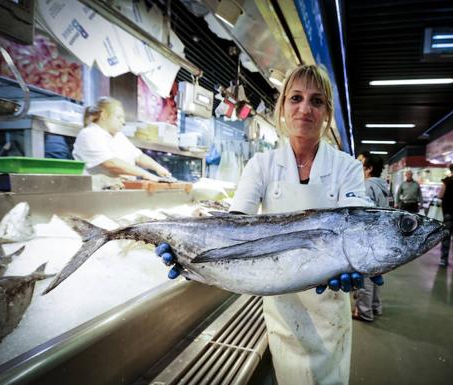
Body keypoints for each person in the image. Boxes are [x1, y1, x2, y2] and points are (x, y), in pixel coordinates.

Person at [155, 65, 382, 385]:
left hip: (329, 302)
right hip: (281, 304)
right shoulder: (261, 165)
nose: (305, 108)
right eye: (296, 98)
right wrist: (189, 252)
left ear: (327, 112)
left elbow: (358, 219)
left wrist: (366, 258)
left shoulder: (346, 167)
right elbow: (235, 228)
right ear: (283, 107)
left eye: (316, 101)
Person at [72, 97, 171, 181]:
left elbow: (138, 157)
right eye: (119, 117)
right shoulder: (89, 134)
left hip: (119, 191)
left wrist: (158, 168)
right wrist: (145, 174)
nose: (123, 122)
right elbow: (111, 163)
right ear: (104, 116)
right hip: (98, 194)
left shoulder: (118, 136)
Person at [352, 154, 389, 322]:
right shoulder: (382, 186)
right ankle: (375, 306)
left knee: (365, 276)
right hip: (381, 237)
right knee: (376, 275)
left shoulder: (366, 187)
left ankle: (364, 312)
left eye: (361, 164)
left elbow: (362, 216)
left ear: (369, 168)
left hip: (367, 239)